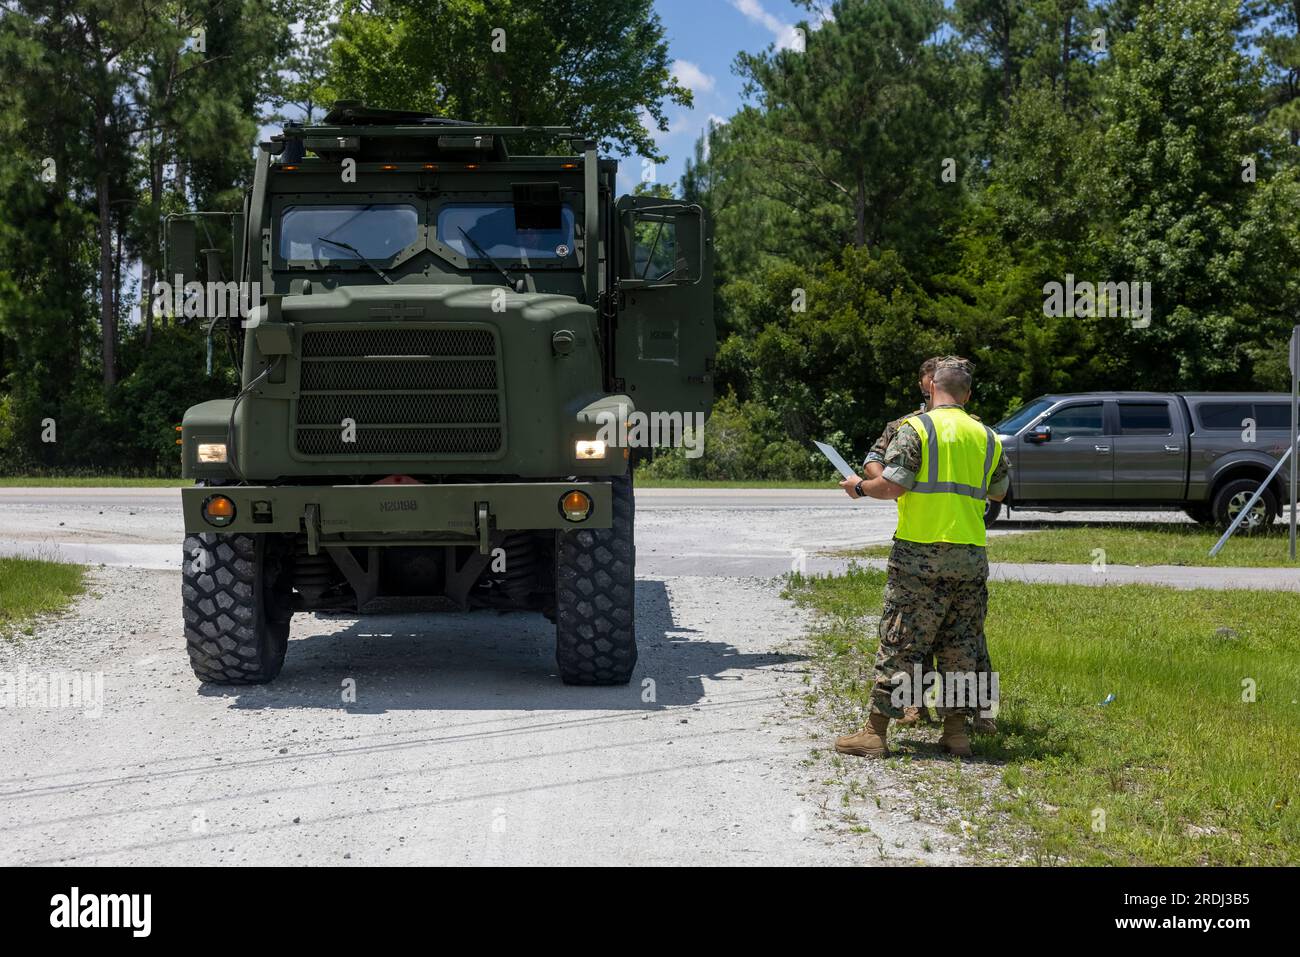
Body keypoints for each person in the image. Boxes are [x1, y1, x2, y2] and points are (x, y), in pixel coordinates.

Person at [834, 358, 1009, 758]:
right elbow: (999, 491)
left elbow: (893, 486)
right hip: (969, 556)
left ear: (931, 389)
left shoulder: (916, 428)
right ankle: (956, 733)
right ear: (968, 394)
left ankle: (875, 733)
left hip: (919, 556)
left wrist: (859, 487)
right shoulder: (988, 436)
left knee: (900, 643)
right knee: (960, 645)